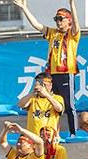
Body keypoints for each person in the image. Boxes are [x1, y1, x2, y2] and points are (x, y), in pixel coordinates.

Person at [13, 0, 80, 133]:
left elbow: (77, 24)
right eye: (56, 19)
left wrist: (72, 4)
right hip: (51, 75)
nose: (58, 22)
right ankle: (54, 133)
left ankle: (74, 133)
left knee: (69, 106)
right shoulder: (53, 33)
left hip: (66, 74)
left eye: (61, 19)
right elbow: (37, 25)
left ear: (69, 20)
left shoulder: (72, 34)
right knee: (52, 105)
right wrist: (24, 9)